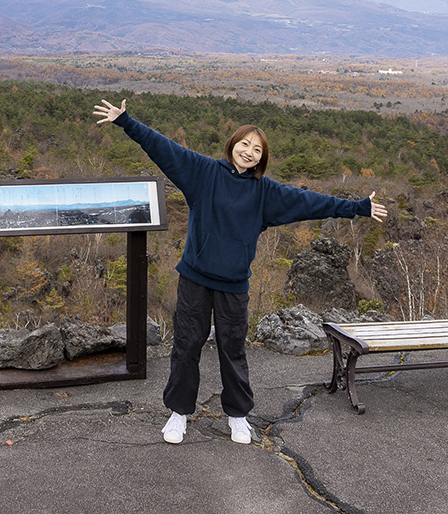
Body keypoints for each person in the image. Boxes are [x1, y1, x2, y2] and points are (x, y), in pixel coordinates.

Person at [93, 97, 387, 445]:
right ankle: (179, 412)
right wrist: (126, 121)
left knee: (233, 349)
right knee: (186, 345)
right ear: (233, 145)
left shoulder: (265, 194)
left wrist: (358, 207)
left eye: (257, 149)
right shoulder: (203, 174)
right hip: (195, 278)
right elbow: (164, 148)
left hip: (233, 284)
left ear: (262, 158)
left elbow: (311, 202)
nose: (249, 152)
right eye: (245, 144)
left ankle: (238, 416)